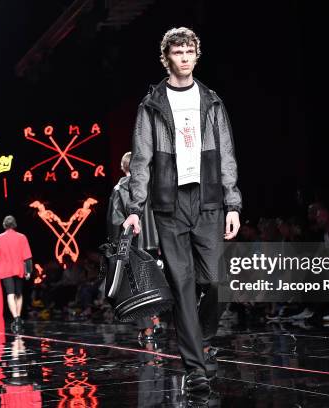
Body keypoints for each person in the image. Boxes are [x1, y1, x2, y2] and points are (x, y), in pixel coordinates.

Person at [122, 27, 242, 393]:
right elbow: (141, 159)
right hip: (169, 203)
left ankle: (200, 338)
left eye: (190, 51)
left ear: (196, 55)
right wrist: (133, 207)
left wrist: (232, 202)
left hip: (208, 200)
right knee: (183, 286)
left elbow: (225, 154)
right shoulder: (152, 104)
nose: (185, 57)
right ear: (167, 57)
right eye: (178, 52)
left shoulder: (212, 101)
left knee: (218, 280)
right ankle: (196, 368)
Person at [106, 151, 163, 344]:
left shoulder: (120, 187)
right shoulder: (153, 185)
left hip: (133, 241)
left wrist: (115, 245)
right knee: (153, 281)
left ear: (123, 168)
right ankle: (155, 318)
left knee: (135, 287)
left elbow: (116, 219)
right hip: (156, 241)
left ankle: (147, 329)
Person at [0, 215, 33, 333]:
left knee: (10, 293)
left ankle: (16, 318)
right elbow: (27, 256)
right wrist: (28, 271)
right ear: (15, 224)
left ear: (4, 224)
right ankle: (18, 317)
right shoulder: (22, 237)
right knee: (18, 293)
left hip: (5, 269)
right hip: (18, 268)